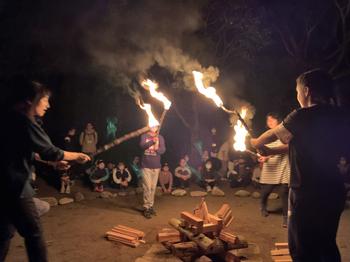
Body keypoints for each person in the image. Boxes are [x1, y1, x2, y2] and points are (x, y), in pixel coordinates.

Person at [251, 69, 348, 262]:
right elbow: (295, 144)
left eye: (297, 91)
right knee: (326, 243)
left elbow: (273, 134)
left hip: (306, 192)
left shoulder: (301, 116)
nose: (297, 95)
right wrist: (270, 152)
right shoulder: (339, 116)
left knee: (302, 247)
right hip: (334, 191)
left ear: (306, 91)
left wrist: (255, 143)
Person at [0, 77, 90, 262]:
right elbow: (49, 151)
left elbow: (26, 153)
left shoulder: (8, 118)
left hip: (4, 188)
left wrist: (53, 164)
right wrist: (76, 156)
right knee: (34, 234)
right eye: (45, 99)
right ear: (29, 101)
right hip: (15, 187)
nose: (48, 105)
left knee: (4, 233)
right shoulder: (25, 121)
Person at [258, 113, 290, 228]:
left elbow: (286, 147)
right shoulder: (266, 136)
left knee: (284, 192)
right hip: (271, 166)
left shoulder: (284, 131)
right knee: (267, 190)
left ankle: (286, 218)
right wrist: (262, 156)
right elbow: (262, 150)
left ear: (278, 120)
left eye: (272, 120)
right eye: (268, 120)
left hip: (283, 164)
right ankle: (262, 205)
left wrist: (268, 154)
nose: (269, 122)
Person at [139, 125, 166, 219]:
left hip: (156, 166)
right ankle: (146, 207)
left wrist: (156, 148)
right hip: (146, 166)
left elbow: (163, 150)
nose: (154, 127)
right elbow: (142, 146)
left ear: (157, 127)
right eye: (152, 126)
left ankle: (150, 206)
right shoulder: (144, 136)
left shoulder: (160, 137)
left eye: (156, 126)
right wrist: (152, 142)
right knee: (147, 187)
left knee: (153, 188)